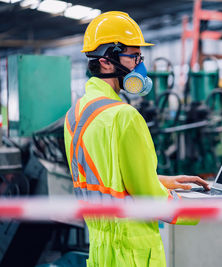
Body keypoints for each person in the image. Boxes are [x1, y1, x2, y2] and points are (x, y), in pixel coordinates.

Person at [64, 11, 210, 267]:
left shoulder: (74, 114)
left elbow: (108, 181)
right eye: (134, 57)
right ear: (107, 62)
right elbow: (149, 198)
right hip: (133, 251)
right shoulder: (124, 116)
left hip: (101, 249)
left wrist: (165, 181)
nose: (139, 65)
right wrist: (200, 210)